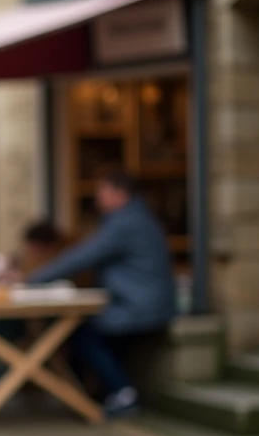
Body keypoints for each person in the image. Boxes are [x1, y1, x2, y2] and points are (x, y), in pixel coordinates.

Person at [28, 170, 175, 417]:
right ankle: (99, 391)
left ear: (120, 194)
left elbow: (82, 256)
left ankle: (122, 392)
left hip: (138, 306)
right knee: (88, 331)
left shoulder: (125, 223)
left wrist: (32, 280)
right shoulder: (138, 217)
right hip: (141, 301)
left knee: (82, 332)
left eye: (103, 193)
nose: (98, 200)